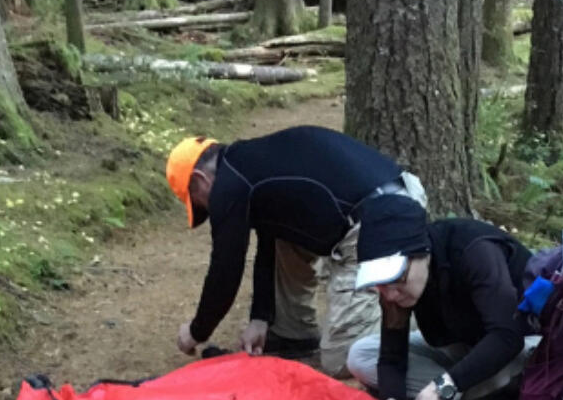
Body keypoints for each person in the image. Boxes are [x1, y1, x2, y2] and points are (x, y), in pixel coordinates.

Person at [165, 127, 427, 377]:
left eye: (199, 203)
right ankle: (293, 332)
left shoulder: (227, 185)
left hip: (379, 222)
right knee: (283, 241)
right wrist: (261, 319)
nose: (208, 210)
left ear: (199, 179)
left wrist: (197, 331)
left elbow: (226, 267)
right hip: (391, 197)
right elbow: (270, 240)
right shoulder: (250, 164)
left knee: (341, 358)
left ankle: (426, 326)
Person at [346, 197, 536, 400]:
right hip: (459, 347)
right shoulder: (393, 290)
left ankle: (459, 397)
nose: (392, 294)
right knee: (360, 355)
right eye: (380, 287)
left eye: (399, 280)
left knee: (499, 373)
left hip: (514, 350)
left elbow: (508, 336)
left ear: (422, 254)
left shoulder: (475, 251)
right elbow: (392, 354)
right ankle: (464, 398)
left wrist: (442, 386)